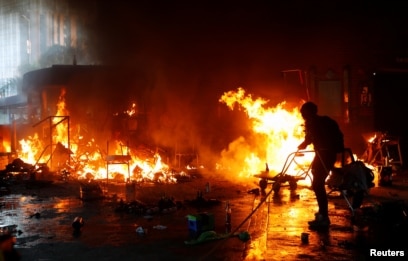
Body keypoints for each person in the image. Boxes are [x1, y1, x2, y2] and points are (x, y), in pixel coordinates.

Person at [297, 101, 344, 229]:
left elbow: (312, 137)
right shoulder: (321, 121)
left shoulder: (314, 123)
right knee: (317, 181)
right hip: (325, 154)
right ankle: (322, 214)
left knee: (317, 184)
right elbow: (311, 138)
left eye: (303, 111)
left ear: (309, 112)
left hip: (325, 154)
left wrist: (304, 144)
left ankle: (324, 217)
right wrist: (304, 144)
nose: (301, 114)